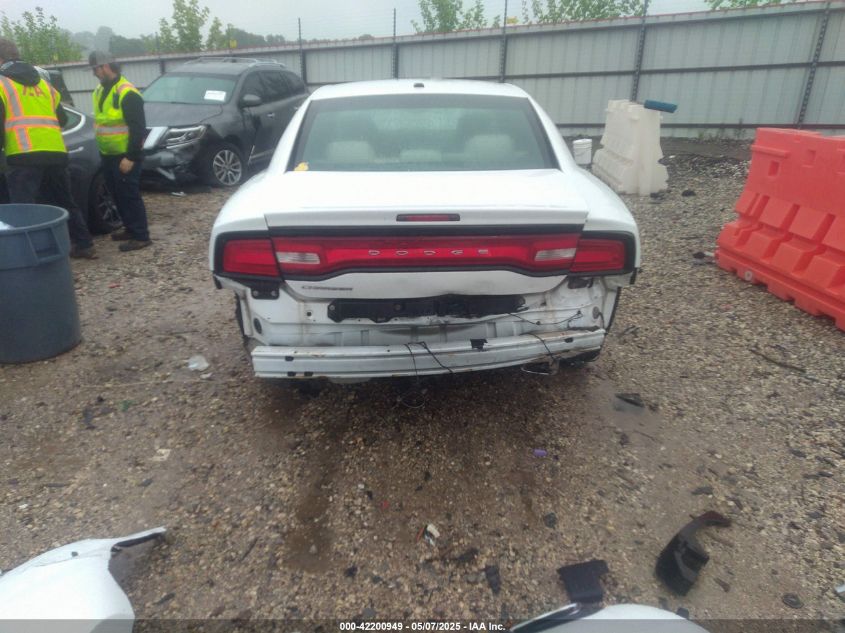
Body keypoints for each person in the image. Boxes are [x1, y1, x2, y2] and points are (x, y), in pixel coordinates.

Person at [0, 38, 96, 258]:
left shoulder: (2, 84)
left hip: (23, 155)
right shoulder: (44, 84)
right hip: (56, 153)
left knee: (24, 209)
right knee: (65, 201)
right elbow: (62, 119)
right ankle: (85, 245)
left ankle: (29, 255)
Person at [89, 50, 151, 252]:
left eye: (96, 69)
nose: (94, 73)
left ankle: (141, 235)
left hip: (125, 155)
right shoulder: (100, 90)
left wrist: (131, 157)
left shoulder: (127, 93)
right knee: (117, 194)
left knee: (129, 195)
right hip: (108, 154)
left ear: (105, 67)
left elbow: (138, 129)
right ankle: (130, 228)